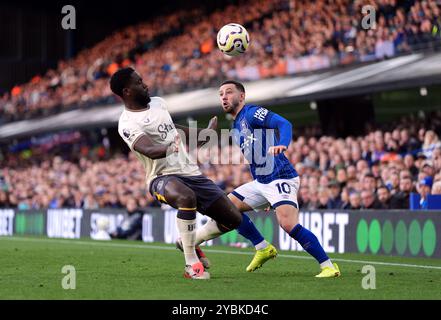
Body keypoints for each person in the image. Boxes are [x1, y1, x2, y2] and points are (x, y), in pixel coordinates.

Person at [109, 68, 274, 279]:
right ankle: (191, 264)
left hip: (191, 174)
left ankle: (190, 241)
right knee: (186, 198)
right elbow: (148, 149)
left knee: (233, 219)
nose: (145, 84)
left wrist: (203, 134)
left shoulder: (158, 103)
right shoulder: (127, 122)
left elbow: (172, 129)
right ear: (127, 91)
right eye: (139, 82)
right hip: (161, 177)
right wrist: (169, 148)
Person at [194, 80, 340, 278]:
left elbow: (283, 123)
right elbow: (255, 159)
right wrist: (264, 195)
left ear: (242, 96)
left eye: (229, 92)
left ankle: (329, 266)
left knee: (288, 225)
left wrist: (283, 144)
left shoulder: (252, 112)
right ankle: (262, 247)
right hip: (262, 182)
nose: (224, 97)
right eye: (221, 94)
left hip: (280, 178)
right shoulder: (236, 126)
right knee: (227, 208)